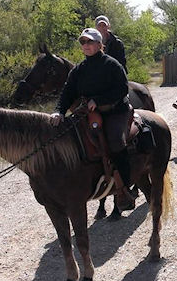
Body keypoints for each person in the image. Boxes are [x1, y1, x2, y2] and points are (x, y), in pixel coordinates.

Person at [49, 28, 135, 211]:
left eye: (89, 42)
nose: (86, 46)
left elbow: (122, 90)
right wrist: (59, 111)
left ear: (99, 44)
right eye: (83, 43)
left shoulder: (112, 65)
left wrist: (99, 100)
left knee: (116, 142)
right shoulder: (79, 70)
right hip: (90, 113)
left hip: (115, 111)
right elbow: (67, 92)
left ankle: (126, 186)